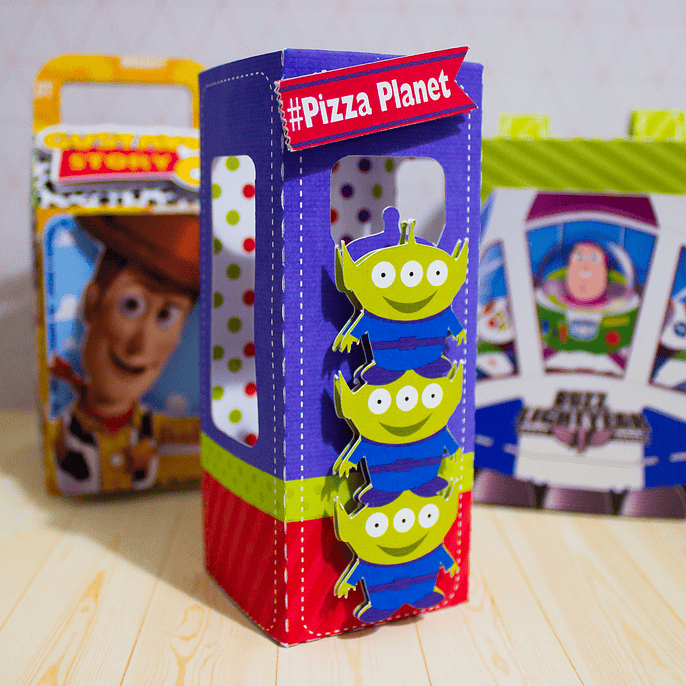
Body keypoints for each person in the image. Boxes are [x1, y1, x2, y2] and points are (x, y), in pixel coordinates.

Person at [49, 213, 200, 494]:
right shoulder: (63, 432)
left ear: (178, 337)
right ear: (92, 303)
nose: (140, 346)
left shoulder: (166, 432)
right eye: (131, 305)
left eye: (167, 315)